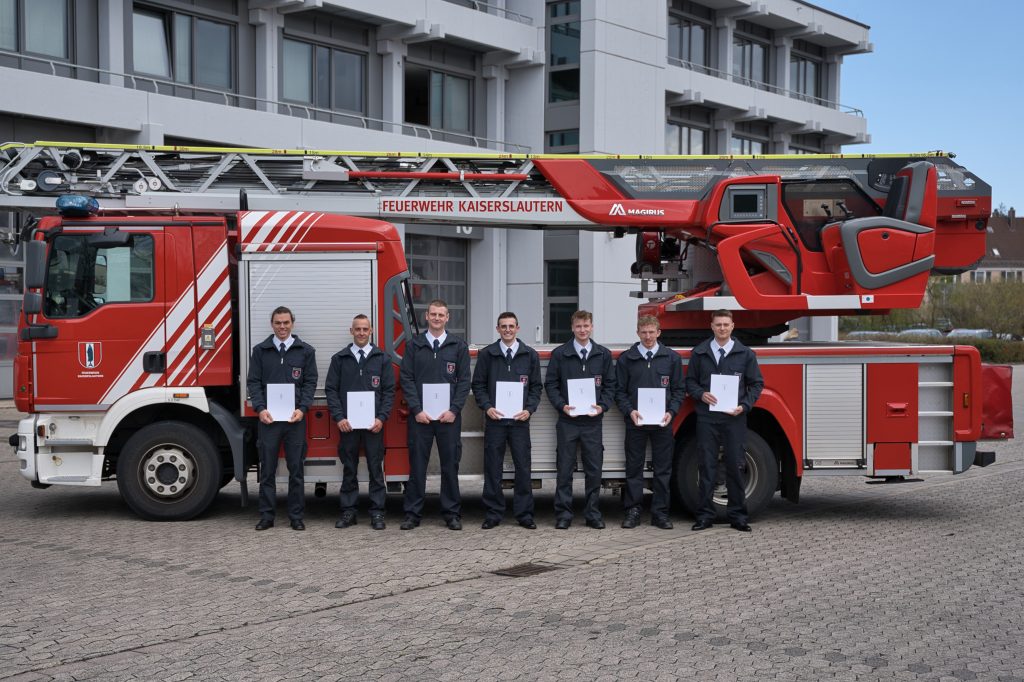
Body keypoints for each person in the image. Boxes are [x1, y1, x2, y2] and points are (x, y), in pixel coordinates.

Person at [684, 309, 764, 532]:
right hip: (707, 418)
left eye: (725, 325)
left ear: (732, 326)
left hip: (734, 419)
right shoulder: (700, 353)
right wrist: (701, 394)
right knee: (706, 466)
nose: (722, 328)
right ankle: (704, 516)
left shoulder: (745, 354)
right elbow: (689, 382)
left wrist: (744, 405)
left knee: (736, 466)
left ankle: (738, 516)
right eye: (718, 324)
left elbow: (756, 384)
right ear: (712, 327)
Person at [399, 299, 471, 530]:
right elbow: (406, 379)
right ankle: (412, 514)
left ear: (447, 318)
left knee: (450, 466)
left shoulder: (458, 346)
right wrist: (416, 410)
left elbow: (464, 382)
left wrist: (454, 410)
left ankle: (451, 513)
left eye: (441, 315)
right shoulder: (414, 346)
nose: (437, 318)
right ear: (426, 317)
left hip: (448, 419)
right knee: (417, 466)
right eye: (433, 314)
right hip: (420, 419)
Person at [247, 306, 317, 531]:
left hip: (294, 420)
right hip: (268, 421)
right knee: (267, 470)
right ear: (272, 325)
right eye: (278, 323)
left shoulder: (305, 351)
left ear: (292, 324)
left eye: (286, 322)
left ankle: (296, 516)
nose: (282, 327)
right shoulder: (260, 351)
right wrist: (260, 409)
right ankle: (267, 516)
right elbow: (253, 383)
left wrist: (303, 408)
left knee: (296, 470)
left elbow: (310, 383)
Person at [544, 310, 616, 529]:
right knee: (564, 470)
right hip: (568, 421)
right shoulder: (560, 354)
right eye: (578, 326)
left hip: (592, 422)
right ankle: (564, 515)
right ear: (572, 328)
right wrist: (561, 406)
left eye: (586, 326)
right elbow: (551, 384)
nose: (582, 330)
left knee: (594, 471)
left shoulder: (603, 354)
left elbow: (611, 386)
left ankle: (593, 514)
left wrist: (602, 406)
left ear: (592, 327)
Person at [471, 312, 542, 530]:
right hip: (496, 421)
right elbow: (478, 385)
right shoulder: (487, 355)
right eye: (504, 326)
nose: (508, 330)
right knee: (493, 468)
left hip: (520, 422)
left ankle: (524, 514)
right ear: (498, 329)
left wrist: (529, 410)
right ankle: (493, 513)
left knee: (523, 467)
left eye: (511, 326)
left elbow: (537, 387)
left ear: (518, 329)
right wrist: (487, 407)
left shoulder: (529, 355)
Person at [325, 314, 396, 531]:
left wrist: (381, 418)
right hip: (348, 426)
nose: (362, 333)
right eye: (358, 329)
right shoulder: (340, 359)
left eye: (365, 329)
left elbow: (389, 392)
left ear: (371, 331)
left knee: (376, 469)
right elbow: (331, 390)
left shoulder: (382, 359)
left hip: (373, 425)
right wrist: (339, 417)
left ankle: (377, 513)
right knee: (349, 469)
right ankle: (349, 512)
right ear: (351, 331)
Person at [614, 315, 686, 530]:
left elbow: (679, 391)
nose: (647, 336)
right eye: (643, 332)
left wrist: (671, 412)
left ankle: (660, 513)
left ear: (658, 332)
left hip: (663, 423)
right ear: (638, 333)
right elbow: (619, 391)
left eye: (651, 332)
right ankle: (633, 511)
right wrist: (630, 411)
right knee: (633, 468)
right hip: (636, 422)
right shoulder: (628, 359)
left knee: (663, 470)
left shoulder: (671, 358)